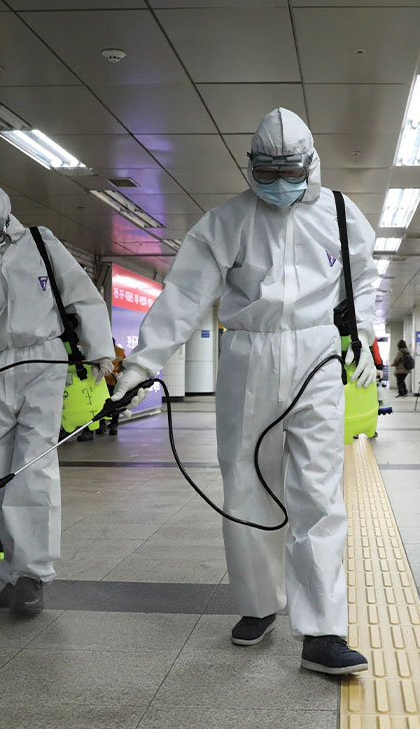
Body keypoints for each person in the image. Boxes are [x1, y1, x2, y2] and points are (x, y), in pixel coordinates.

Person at [110, 108, 376, 675]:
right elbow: (183, 296)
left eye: (291, 169)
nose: (280, 181)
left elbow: (364, 277)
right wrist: (141, 366)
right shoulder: (226, 221)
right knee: (246, 480)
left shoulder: (339, 213)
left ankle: (324, 629)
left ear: (311, 164)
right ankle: (258, 604)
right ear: (250, 167)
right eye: (268, 170)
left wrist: (367, 337)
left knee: (319, 491)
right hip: (249, 352)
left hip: (318, 354)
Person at [0, 176, 113, 618]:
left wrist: (100, 351)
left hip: (45, 363)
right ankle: (9, 573)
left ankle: (34, 574)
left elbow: (82, 296)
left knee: (35, 468)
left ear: (7, 220)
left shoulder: (40, 242)